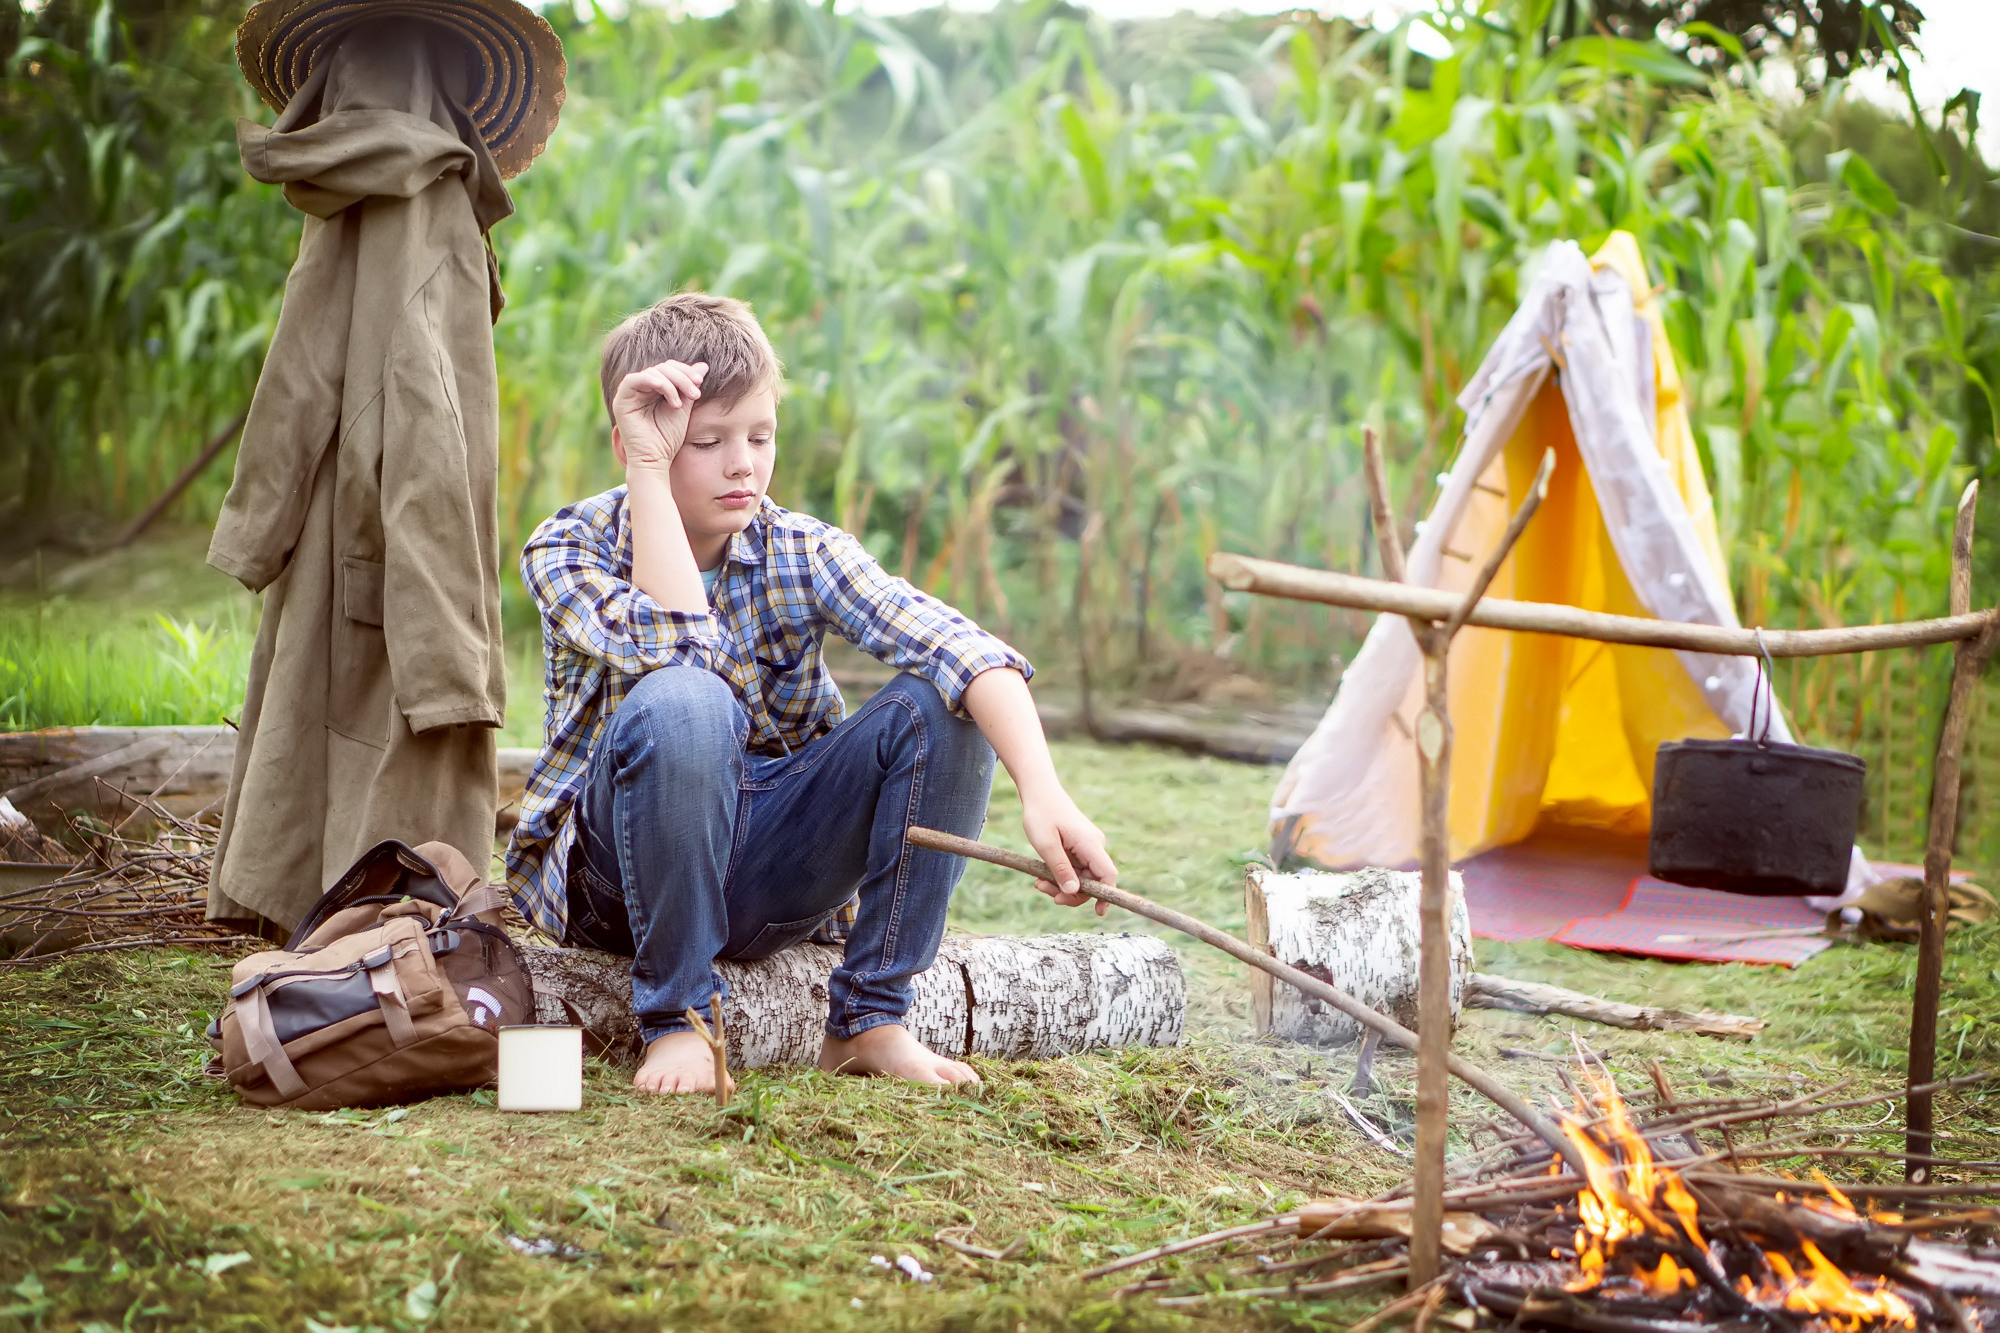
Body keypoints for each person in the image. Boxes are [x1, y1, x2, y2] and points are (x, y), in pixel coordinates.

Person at [505, 293, 1118, 1095]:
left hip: (763, 863)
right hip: (613, 874)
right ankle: (680, 1019)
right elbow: (686, 652)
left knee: (945, 702)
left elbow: (965, 649)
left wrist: (1047, 795)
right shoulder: (569, 546)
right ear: (634, 442)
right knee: (687, 700)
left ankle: (869, 1017)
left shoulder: (798, 547)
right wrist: (649, 477)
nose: (743, 466)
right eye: (707, 441)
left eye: (760, 436)